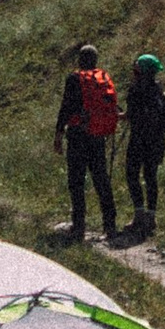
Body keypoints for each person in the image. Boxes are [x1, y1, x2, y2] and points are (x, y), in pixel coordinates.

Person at [52, 45, 120, 241]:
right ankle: (110, 225)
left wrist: (58, 134)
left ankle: (79, 226)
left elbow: (66, 106)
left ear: (80, 60)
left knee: (77, 181)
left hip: (77, 134)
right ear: (95, 60)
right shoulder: (103, 78)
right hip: (97, 135)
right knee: (101, 179)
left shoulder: (74, 78)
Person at [123, 51, 165, 236]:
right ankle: (151, 217)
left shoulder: (135, 90)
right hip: (156, 140)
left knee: (132, 174)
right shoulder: (160, 90)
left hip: (138, 139)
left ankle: (139, 214)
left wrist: (115, 116)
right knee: (151, 177)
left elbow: (130, 115)